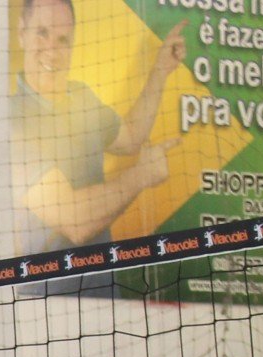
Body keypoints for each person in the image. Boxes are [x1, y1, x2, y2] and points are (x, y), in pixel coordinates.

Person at [12, 0, 182, 256]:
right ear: (22, 33)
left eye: (63, 39)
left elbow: (131, 138)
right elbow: (74, 220)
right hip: (47, 290)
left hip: (103, 287)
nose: (52, 49)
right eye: (42, 33)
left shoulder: (81, 97)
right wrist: (142, 175)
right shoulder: (10, 121)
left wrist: (160, 70)